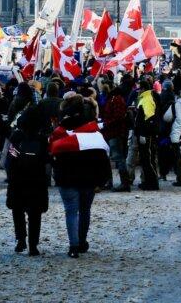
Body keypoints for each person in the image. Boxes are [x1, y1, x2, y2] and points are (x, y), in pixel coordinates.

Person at [48, 95, 111, 258]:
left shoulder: (60, 132)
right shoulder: (94, 132)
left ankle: (73, 246)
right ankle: (82, 241)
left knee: (71, 211)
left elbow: (52, 151)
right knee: (85, 210)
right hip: (88, 178)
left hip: (66, 177)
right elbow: (103, 156)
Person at [5, 103, 48, 256]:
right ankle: (33, 245)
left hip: (18, 178)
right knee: (35, 214)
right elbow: (46, 159)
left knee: (18, 211)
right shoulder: (42, 138)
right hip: (37, 179)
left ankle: (21, 239)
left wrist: (10, 175)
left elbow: (11, 158)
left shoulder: (17, 136)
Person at [101, 78, 132, 192]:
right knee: (114, 157)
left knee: (118, 158)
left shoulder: (116, 99)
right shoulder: (114, 98)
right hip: (112, 132)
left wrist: (105, 123)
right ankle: (111, 182)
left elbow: (118, 117)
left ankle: (124, 183)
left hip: (115, 132)